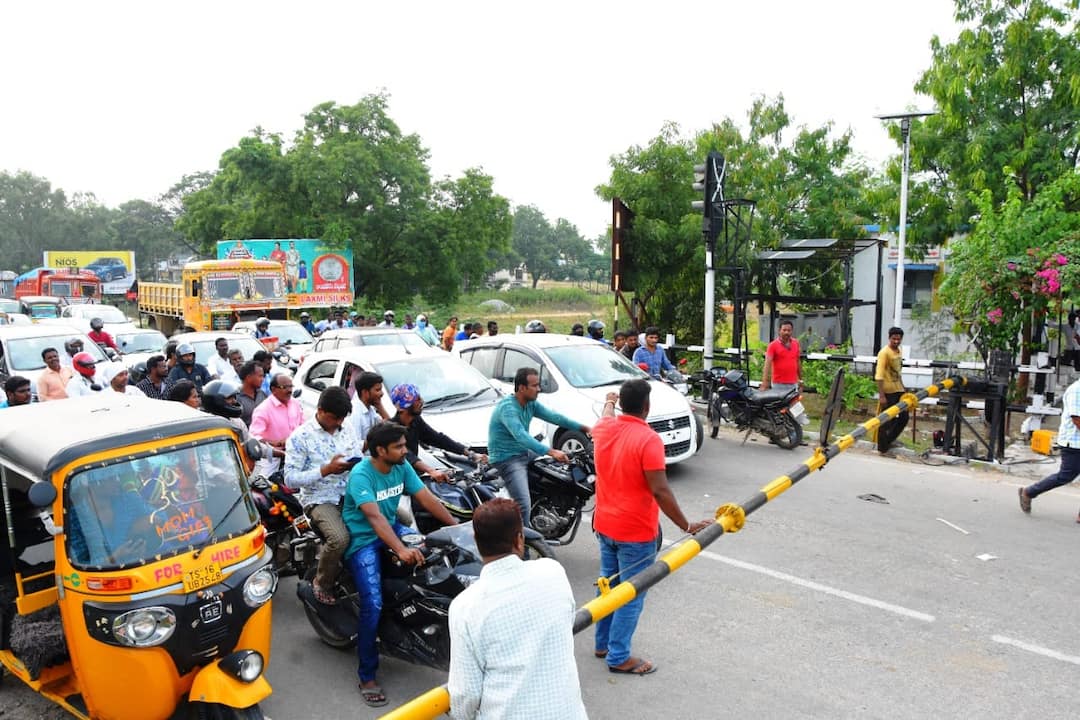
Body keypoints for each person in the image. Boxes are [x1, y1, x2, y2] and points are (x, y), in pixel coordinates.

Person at [591, 380, 712, 675]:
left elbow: (606, 415)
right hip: (635, 531)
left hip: (604, 524)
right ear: (647, 406)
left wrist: (609, 401)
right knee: (631, 594)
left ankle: (602, 642)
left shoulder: (604, 429)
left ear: (622, 404)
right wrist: (686, 525)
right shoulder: (648, 440)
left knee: (609, 584)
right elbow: (660, 490)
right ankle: (618, 656)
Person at [342, 421, 458, 707]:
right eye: (399, 447)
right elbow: (374, 519)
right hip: (364, 540)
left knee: (436, 559)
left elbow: (427, 499)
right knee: (374, 604)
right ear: (380, 450)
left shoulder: (401, 466)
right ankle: (367, 675)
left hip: (394, 528)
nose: (405, 451)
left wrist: (457, 529)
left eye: (405, 445)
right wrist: (401, 548)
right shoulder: (361, 475)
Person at [447, 498, 587, 720]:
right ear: (519, 539)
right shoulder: (553, 572)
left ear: (476, 541)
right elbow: (566, 621)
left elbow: (466, 693)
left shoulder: (465, 607)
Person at [285, 386, 362, 604]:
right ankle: (322, 582)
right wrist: (325, 470)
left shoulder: (346, 428)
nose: (338, 423)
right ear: (320, 410)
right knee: (339, 539)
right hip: (319, 499)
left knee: (396, 517)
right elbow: (290, 479)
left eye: (341, 418)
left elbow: (358, 455)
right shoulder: (300, 438)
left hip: (351, 491)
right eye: (334, 418)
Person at [488, 367, 591, 526]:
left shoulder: (530, 404)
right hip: (507, 459)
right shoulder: (508, 408)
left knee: (561, 472)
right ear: (522, 388)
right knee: (523, 503)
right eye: (535, 386)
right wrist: (551, 451)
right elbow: (521, 436)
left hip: (523, 453)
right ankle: (524, 545)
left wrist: (585, 428)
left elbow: (555, 417)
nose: (539, 389)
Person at [389, 384, 487, 479]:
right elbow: (408, 456)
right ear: (405, 406)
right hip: (397, 478)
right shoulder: (391, 429)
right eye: (417, 399)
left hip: (413, 476)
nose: (422, 401)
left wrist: (471, 455)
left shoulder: (415, 421)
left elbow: (437, 439)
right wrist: (431, 471)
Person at [1019, 375, 1080, 520]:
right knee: (1065, 476)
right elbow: (1077, 419)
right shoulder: (1077, 390)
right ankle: (1028, 492)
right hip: (1074, 442)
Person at [249, 373, 304, 477]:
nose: (290, 390)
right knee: (264, 484)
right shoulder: (263, 409)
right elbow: (254, 438)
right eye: (284, 387)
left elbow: (303, 427)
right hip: (271, 458)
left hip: (294, 454)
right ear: (273, 389)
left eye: (291, 386)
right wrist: (276, 444)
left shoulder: (295, 404)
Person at [875, 327, 907, 453]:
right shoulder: (884, 353)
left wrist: (904, 388)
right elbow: (879, 375)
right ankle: (882, 447)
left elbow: (898, 372)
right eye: (894, 339)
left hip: (899, 389)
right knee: (887, 419)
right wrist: (882, 395)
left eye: (898, 339)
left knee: (904, 417)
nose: (896, 341)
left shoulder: (899, 351)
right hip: (888, 391)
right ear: (889, 338)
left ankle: (889, 440)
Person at [351, 372, 389, 452]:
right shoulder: (355, 414)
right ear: (365, 392)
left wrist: (379, 405)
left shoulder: (370, 408)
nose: (382, 393)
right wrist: (376, 434)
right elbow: (356, 449)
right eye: (377, 390)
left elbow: (390, 426)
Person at [761, 319, 801, 393]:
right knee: (779, 404)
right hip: (778, 384)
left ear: (792, 331)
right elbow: (767, 365)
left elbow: (798, 361)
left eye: (789, 330)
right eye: (784, 330)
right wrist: (764, 382)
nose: (786, 332)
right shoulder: (772, 345)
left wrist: (801, 380)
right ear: (779, 330)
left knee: (794, 404)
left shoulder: (796, 343)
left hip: (793, 383)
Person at [236, 361, 267, 427]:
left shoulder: (262, 394)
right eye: (260, 376)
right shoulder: (236, 398)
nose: (262, 379)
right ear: (249, 377)